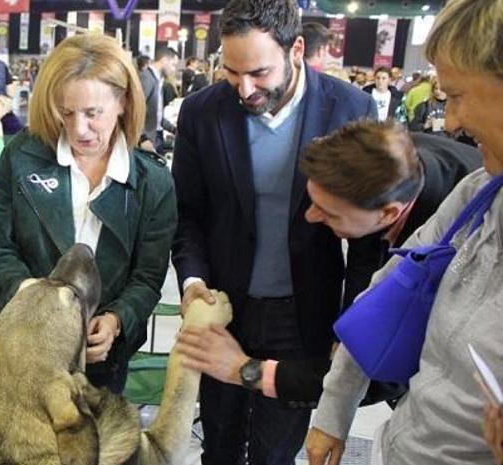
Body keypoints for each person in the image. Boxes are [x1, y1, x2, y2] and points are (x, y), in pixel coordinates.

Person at [170, 0, 376, 465]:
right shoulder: (203, 112)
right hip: (224, 307)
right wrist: (194, 280)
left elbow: (369, 242)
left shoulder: (350, 109)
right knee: (218, 444)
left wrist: (353, 326)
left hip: (301, 314)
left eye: (259, 72)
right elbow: (188, 216)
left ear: (297, 49)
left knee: (273, 459)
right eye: (231, 71)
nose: (244, 89)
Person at [306, 1, 503, 465]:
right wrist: (333, 410)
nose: (451, 119)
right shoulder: (477, 193)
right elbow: (383, 298)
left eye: (456, 95)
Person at [177, 119, 481, 406]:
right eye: (313, 202)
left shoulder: (456, 240)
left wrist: (244, 369)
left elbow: (388, 371)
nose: (310, 217)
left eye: (329, 213)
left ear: (388, 214)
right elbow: (365, 269)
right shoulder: (380, 168)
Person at [0, 33, 176, 394]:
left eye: (92, 113)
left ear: (123, 101)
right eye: (65, 112)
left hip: (98, 359)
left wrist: (116, 320)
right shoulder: (21, 156)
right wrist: (33, 300)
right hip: (16, 343)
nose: (77, 129)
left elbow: (147, 278)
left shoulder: (154, 183)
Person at [138, 47, 178, 152]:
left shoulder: (157, 80)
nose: (173, 69)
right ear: (164, 60)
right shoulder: (147, 78)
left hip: (156, 136)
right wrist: (142, 138)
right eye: (173, 65)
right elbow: (134, 108)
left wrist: (173, 129)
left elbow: (156, 115)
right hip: (147, 139)